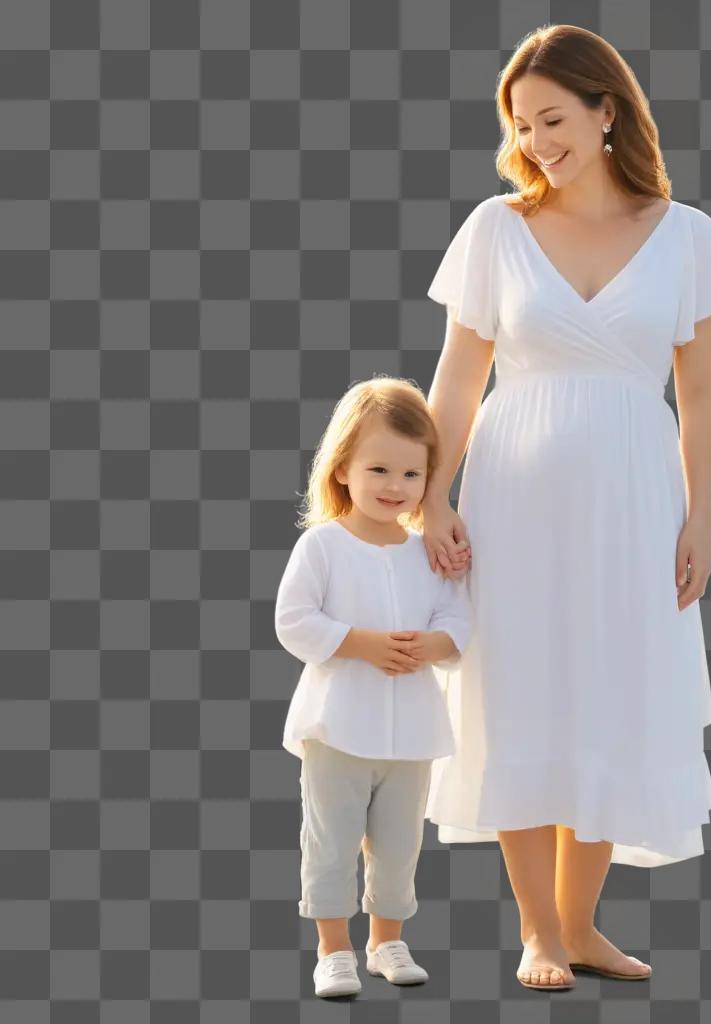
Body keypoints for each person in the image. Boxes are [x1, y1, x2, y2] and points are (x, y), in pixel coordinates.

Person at [418, 25, 711, 990]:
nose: (537, 143)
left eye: (554, 119)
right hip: (513, 499)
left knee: (612, 689)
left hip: (634, 500)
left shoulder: (689, 237)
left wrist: (703, 519)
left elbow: (703, 394)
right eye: (522, 126)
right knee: (518, 690)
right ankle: (535, 930)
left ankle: (580, 923)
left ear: (610, 111)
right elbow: (456, 381)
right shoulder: (494, 228)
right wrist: (432, 497)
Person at [274, 377, 473, 998]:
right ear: (341, 469)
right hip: (337, 729)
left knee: (398, 845)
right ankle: (333, 950)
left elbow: (458, 619)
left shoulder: (428, 554)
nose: (395, 486)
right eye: (379, 468)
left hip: (410, 733)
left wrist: (434, 647)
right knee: (330, 841)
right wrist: (360, 642)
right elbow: (293, 621)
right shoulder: (323, 546)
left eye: (412, 475)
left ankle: (387, 940)